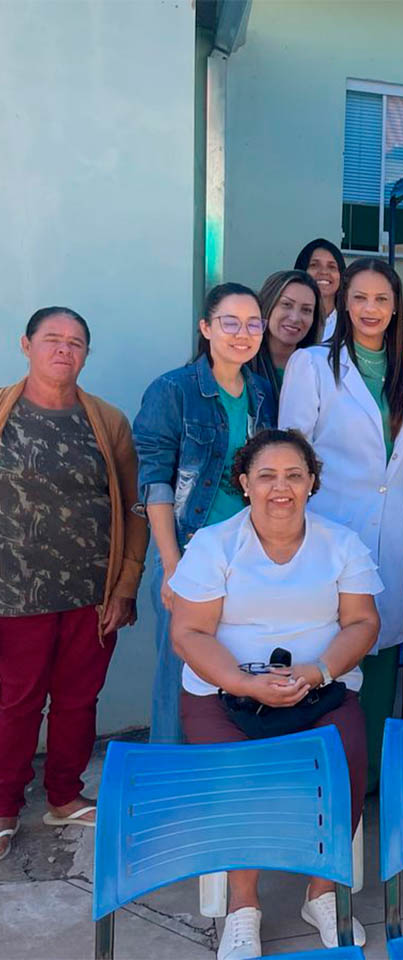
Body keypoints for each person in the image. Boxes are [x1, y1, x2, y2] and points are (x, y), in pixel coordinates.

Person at [168, 430, 381, 958]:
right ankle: (243, 904)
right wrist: (243, 682)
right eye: (266, 476)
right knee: (237, 774)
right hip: (223, 694)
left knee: (345, 758)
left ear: (311, 483)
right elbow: (189, 633)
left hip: (318, 689)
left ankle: (322, 893)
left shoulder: (341, 543)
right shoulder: (215, 544)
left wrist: (318, 671)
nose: (280, 488)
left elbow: (362, 622)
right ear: (245, 483)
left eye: (293, 475)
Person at [0, 308, 148, 861]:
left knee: (78, 701)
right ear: (27, 345)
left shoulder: (106, 421)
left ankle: (64, 795)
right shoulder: (5, 411)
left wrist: (126, 585)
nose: (64, 350)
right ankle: (3, 807)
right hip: (14, 593)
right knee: (14, 703)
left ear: (86, 353)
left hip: (92, 593)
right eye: (52, 339)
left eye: (76, 342)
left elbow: (134, 507)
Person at [278, 257, 403, 790]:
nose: (370, 309)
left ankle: (373, 774)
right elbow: (292, 453)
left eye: (381, 299)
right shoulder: (312, 364)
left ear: (396, 306)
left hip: (392, 530)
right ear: (343, 302)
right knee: (329, 646)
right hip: (331, 526)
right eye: (359, 297)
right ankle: (323, 775)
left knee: (381, 643)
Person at [134, 283, 276, 743]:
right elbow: (155, 483)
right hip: (189, 551)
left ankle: (222, 773)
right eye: (230, 322)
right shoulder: (173, 390)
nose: (243, 333)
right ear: (206, 327)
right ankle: (171, 770)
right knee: (179, 674)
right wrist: (171, 565)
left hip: (247, 552)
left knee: (236, 670)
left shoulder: (261, 392)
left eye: (253, 324)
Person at [247, 270, 323, 404]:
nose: (295, 318)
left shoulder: (321, 370)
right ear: (268, 305)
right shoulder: (241, 367)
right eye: (286, 304)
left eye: (306, 310)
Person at [294, 238, 346, 340]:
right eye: (314, 265)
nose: (324, 272)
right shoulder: (290, 319)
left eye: (332, 267)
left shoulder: (350, 325)